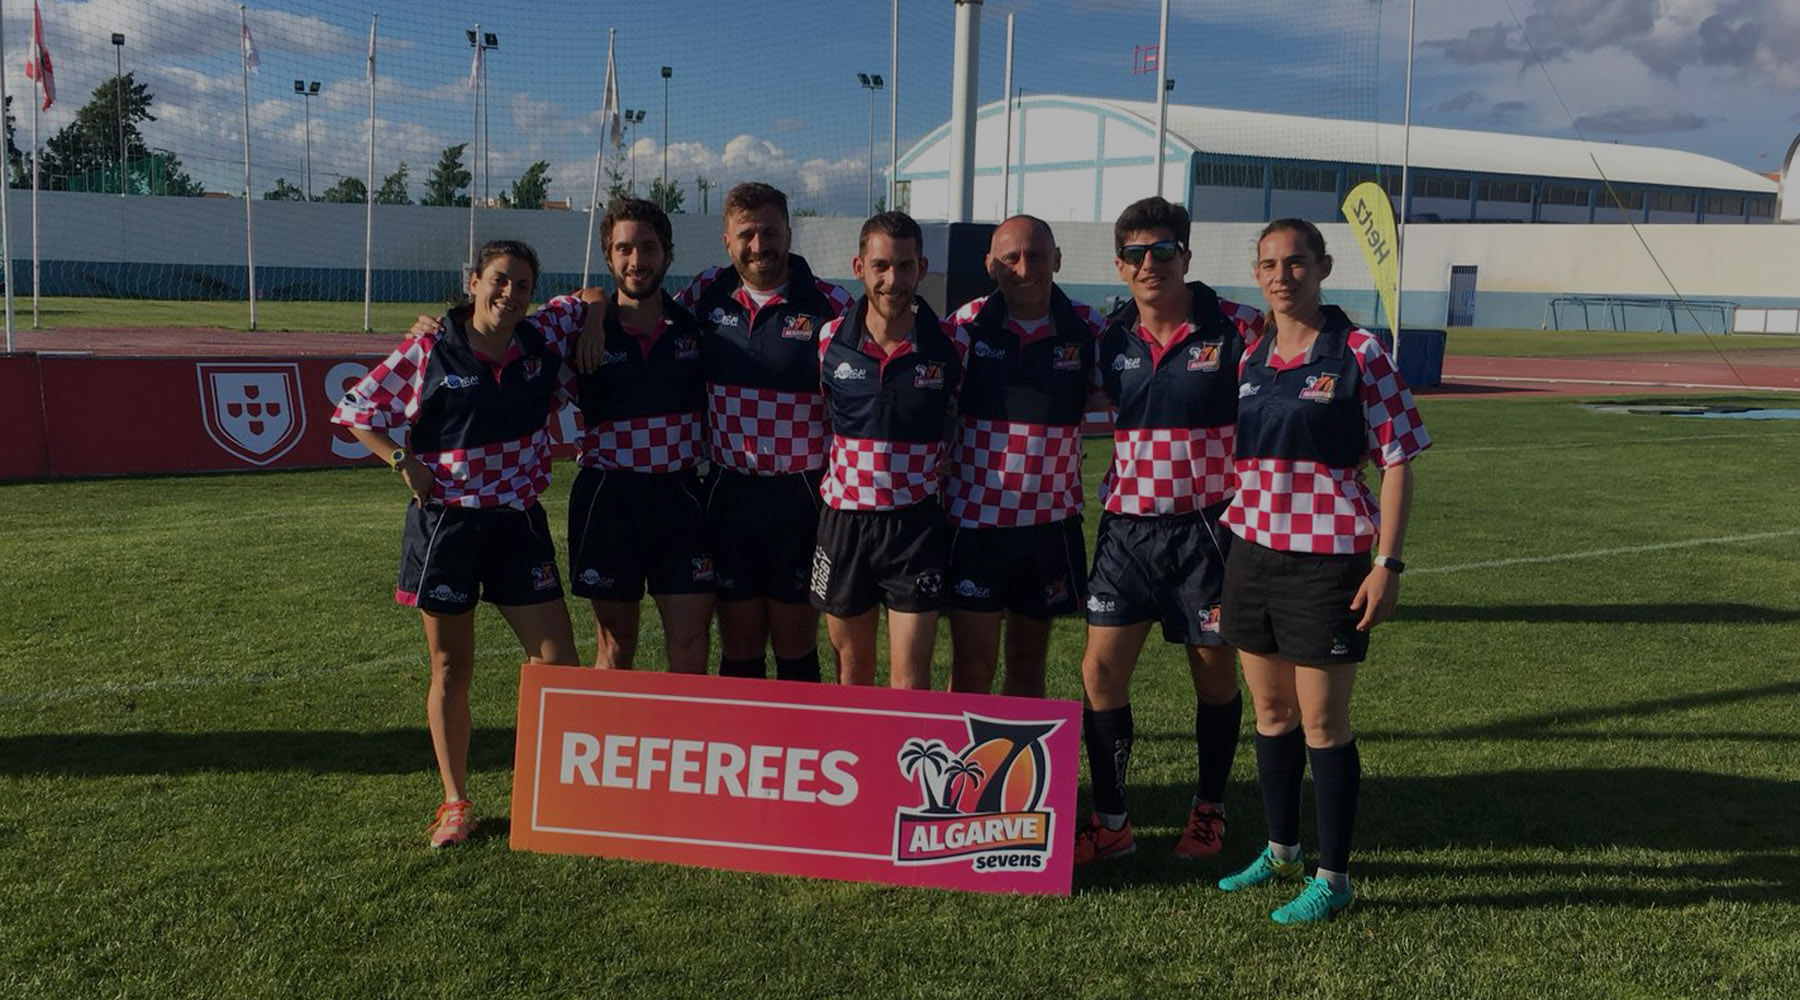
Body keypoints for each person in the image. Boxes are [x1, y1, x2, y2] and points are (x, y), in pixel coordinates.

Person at [333, 240, 593, 849]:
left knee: (557, 663)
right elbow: (354, 410)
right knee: (452, 666)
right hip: (447, 527)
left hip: (518, 524)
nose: (510, 294)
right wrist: (402, 459)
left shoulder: (542, 339)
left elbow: (595, 296)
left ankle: (550, 790)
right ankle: (456, 802)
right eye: (500, 280)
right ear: (472, 281)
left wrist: (599, 312)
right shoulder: (429, 348)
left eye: (523, 285)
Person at [1214, 218, 1429, 924]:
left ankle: (1334, 878)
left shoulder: (1360, 351)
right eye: (1270, 264)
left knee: (1321, 724)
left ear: (1323, 266)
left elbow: (1399, 458)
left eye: (1297, 262)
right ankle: (1281, 850)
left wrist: (1387, 562)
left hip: (1328, 561)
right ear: (1259, 274)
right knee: (1271, 715)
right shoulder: (1252, 358)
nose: (1284, 275)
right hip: (1252, 554)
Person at [1074, 197, 1263, 866]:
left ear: (1186, 256)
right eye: (1135, 253)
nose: (1149, 263)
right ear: (1120, 265)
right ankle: (1112, 821)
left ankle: (1208, 810)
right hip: (1126, 531)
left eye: (1163, 251)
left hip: (1206, 533)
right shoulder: (1108, 338)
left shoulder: (1239, 328)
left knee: (1212, 676)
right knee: (1099, 672)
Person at [658, 183, 853, 682]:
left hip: (801, 495)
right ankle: (742, 755)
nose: (760, 245)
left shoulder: (831, 302)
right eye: (747, 234)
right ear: (727, 240)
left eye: (770, 231)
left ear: (789, 232)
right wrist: (593, 307)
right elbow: (635, 312)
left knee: (794, 641)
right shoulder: (705, 293)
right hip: (729, 493)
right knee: (740, 641)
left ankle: (802, 755)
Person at [943, 216, 1107, 698]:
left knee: (1027, 663)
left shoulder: (1089, 328)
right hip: (973, 525)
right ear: (990, 264)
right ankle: (960, 772)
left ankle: (1016, 771)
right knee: (973, 666)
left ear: (1056, 260)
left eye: (1036, 255)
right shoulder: (962, 327)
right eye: (1011, 257)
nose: (1024, 267)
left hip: (1047, 527)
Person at [811, 211, 965, 688]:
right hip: (844, 523)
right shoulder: (829, 340)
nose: (892, 280)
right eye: (881, 266)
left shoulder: (952, 344)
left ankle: (905, 764)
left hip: (914, 524)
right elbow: (820, 419)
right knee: (851, 672)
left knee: (910, 677)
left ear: (921, 268)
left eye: (904, 266)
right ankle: (853, 763)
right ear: (859, 267)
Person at [567, 198, 713, 673]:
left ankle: (687, 744)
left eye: (648, 248)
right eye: (624, 249)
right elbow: (497, 328)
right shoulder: (577, 327)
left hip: (681, 496)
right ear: (608, 257)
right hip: (608, 497)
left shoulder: (695, 325)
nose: (637, 261)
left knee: (691, 645)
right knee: (615, 647)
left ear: (667, 254)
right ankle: (609, 745)